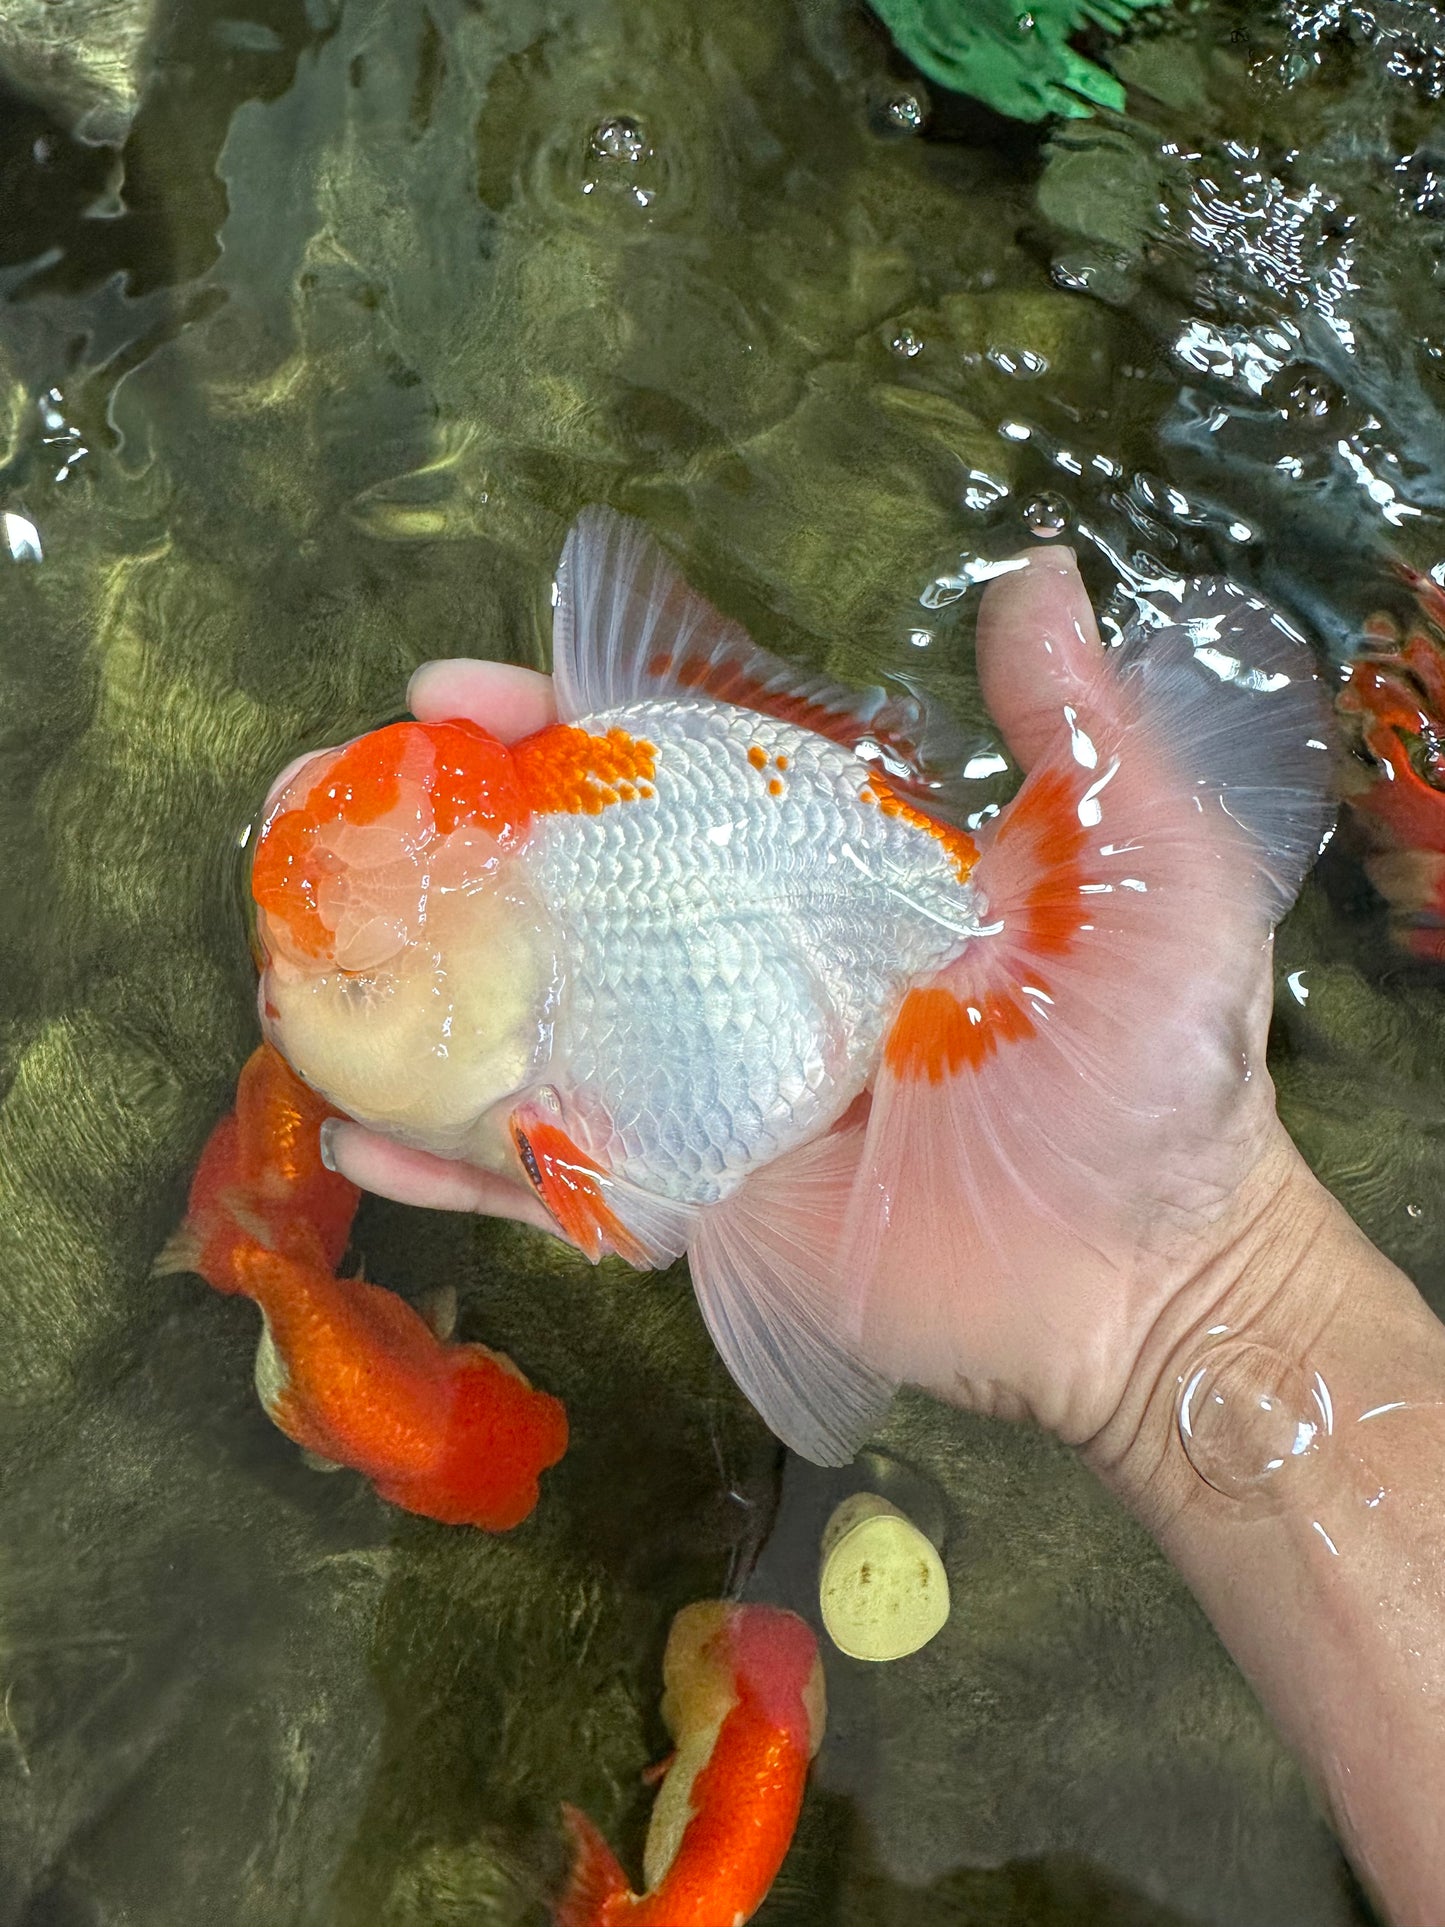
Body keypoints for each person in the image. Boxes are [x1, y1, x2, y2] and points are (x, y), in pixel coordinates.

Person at [316, 548, 1445, 1926]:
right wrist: (1188, 1302)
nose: (292, 1001)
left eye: (352, 984)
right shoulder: (537, 976)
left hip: (864, 897)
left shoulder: (563, 1055)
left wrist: (1187, 1278)